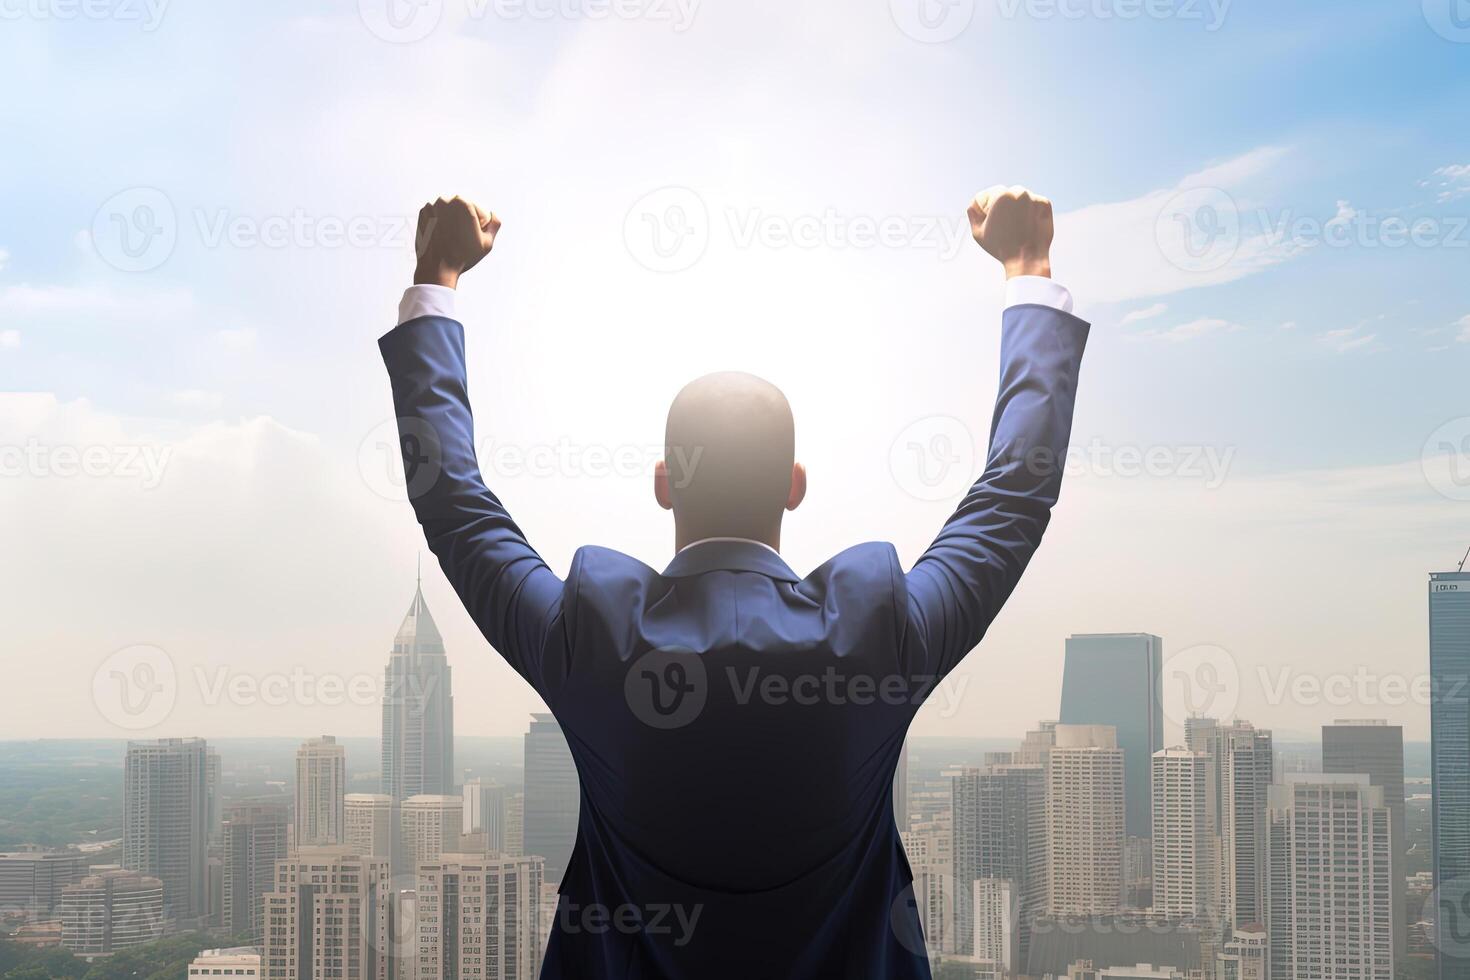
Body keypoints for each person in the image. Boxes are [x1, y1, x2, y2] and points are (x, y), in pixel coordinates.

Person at [379, 184, 1089, 979]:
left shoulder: (596, 638)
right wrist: (1027, 269)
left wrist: (437, 279)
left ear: (663, 482)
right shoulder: (876, 635)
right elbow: (1013, 499)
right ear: (795, 483)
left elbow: (455, 505)